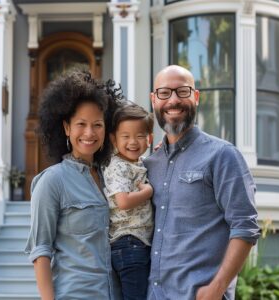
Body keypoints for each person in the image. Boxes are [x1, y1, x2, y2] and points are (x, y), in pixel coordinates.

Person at [144, 65, 260, 300]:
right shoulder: (149, 165)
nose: (173, 100)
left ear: (196, 97)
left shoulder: (222, 155)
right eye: (164, 93)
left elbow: (245, 227)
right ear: (154, 100)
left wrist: (217, 288)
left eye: (183, 92)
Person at [25, 70, 124, 300]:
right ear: (67, 128)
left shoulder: (111, 178)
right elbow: (41, 252)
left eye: (97, 125)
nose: (90, 133)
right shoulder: (52, 181)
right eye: (81, 124)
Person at [103, 103, 154, 300]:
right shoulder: (118, 166)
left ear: (149, 138)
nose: (133, 142)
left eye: (140, 135)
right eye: (126, 136)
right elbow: (123, 201)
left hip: (137, 243)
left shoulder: (137, 162)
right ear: (113, 139)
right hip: (128, 243)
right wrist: (147, 192)